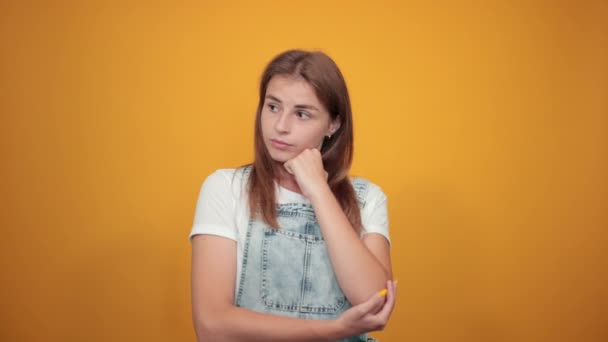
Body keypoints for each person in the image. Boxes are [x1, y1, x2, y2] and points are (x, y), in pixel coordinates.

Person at [189, 49, 397, 342]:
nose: (280, 126)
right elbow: (212, 326)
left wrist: (318, 190)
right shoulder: (226, 188)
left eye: (301, 114)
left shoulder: (367, 198)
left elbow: (375, 300)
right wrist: (333, 331)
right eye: (273, 107)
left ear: (333, 125)